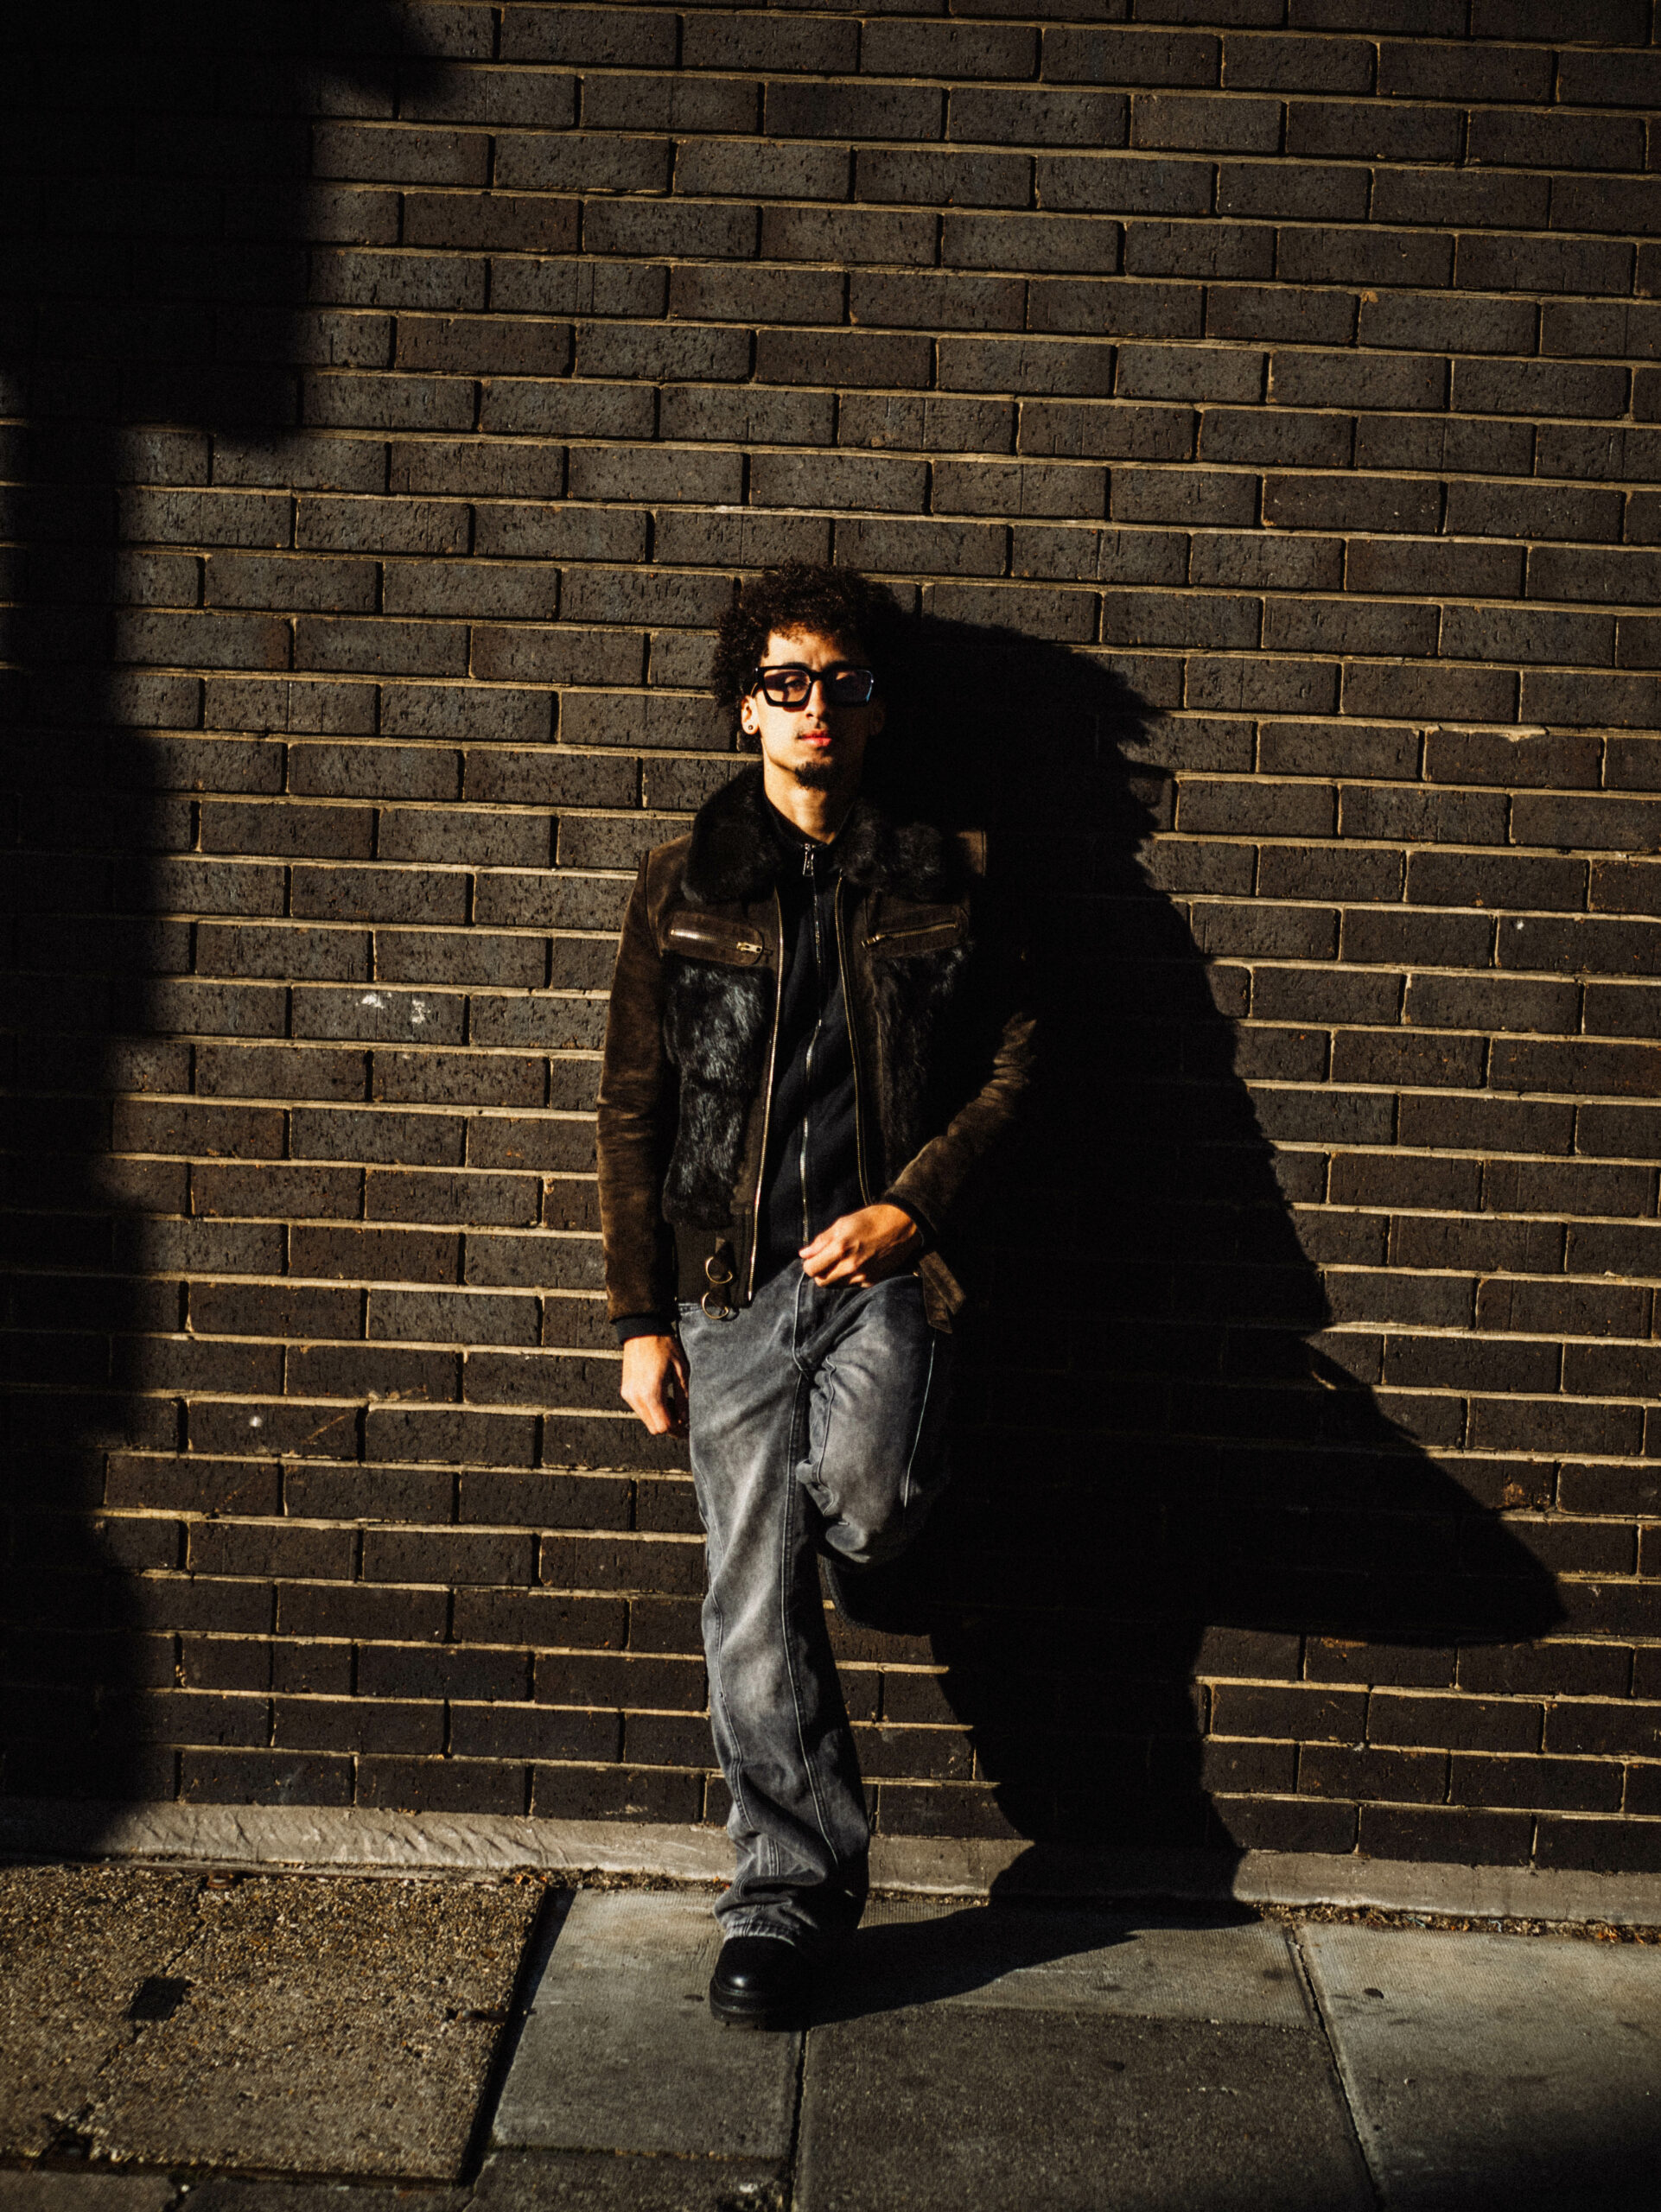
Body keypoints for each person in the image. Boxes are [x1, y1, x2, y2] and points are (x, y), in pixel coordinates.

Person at [596, 563, 1035, 2027]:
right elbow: (632, 1109)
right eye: (784, 684)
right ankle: (785, 1897)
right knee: (751, 1598)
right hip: (729, 1292)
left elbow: (1018, 1060)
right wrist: (638, 1319)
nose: (813, 708)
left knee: (870, 1501)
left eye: (840, 683)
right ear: (745, 708)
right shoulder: (681, 882)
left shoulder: (945, 871)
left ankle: (860, 1523)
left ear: (876, 705)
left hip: (888, 1274)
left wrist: (915, 1207)